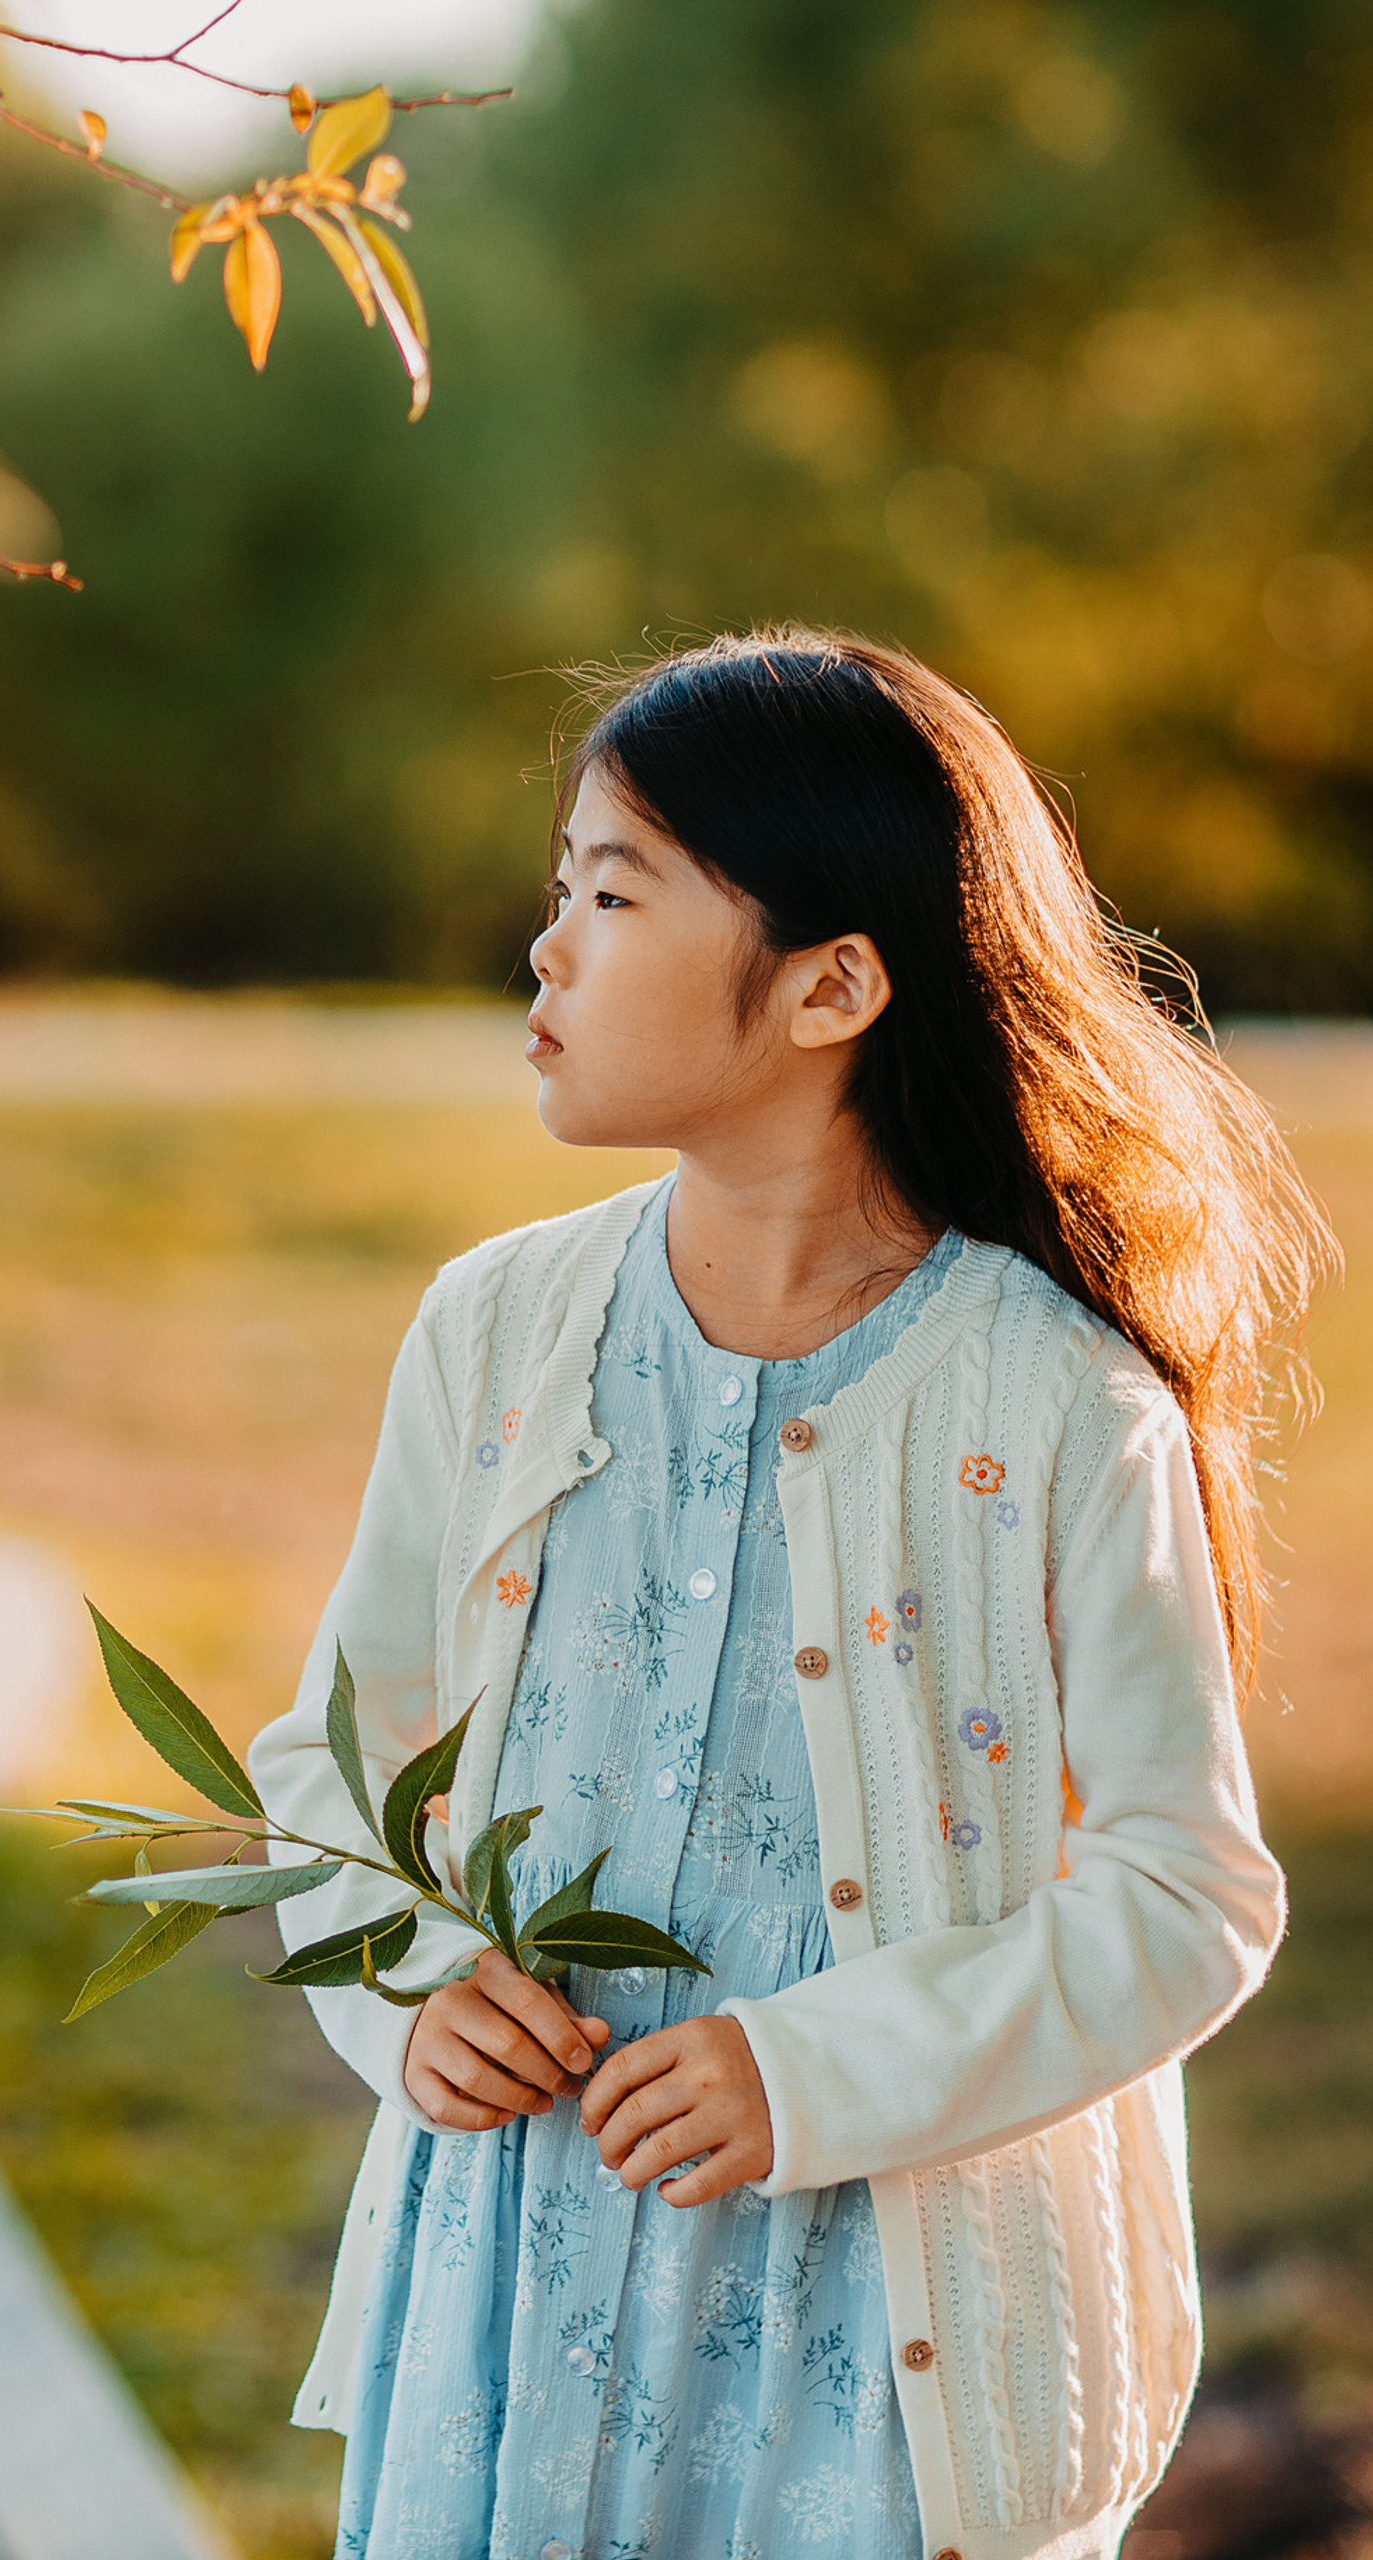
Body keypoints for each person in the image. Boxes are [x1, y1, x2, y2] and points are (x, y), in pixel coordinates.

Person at [249, 630, 1330, 2560]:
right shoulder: (498, 1332)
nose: (546, 948)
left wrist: (806, 2072)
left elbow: (1187, 1895)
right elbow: (333, 1750)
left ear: (832, 983)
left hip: (882, 2344)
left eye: (612, 891)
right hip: (515, 2286)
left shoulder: (1054, 1405)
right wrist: (411, 1989)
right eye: (558, 889)